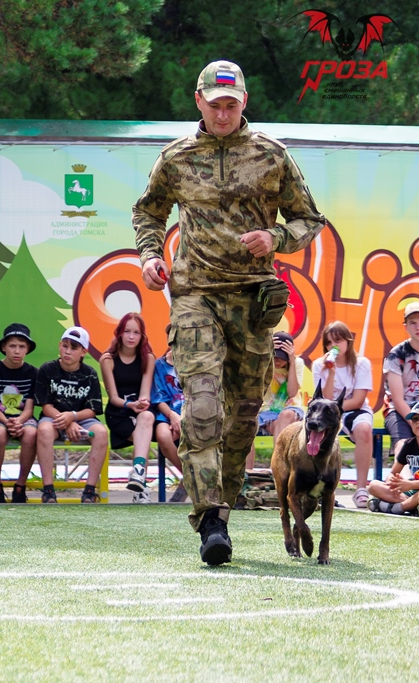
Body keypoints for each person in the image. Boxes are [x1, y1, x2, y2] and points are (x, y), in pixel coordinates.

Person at [134, 60, 326, 565]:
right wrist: (152, 255)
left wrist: (277, 237)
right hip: (195, 296)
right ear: (198, 101)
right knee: (200, 409)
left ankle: (224, 505)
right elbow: (147, 212)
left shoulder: (272, 155)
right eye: (214, 104)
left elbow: (309, 219)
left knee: (242, 419)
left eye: (231, 104)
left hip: (254, 301)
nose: (222, 113)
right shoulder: (175, 158)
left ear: (245, 102)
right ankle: (211, 521)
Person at [35, 326, 108, 504]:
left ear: (84, 352)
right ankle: (48, 491)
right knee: (43, 430)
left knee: (101, 433)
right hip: (54, 418)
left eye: (74, 348)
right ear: (60, 345)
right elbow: (46, 406)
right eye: (65, 346)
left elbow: (93, 409)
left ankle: (89, 491)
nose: (68, 351)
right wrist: (67, 422)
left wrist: (73, 417)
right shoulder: (47, 369)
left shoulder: (89, 373)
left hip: (82, 419)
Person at [312, 321, 373, 508]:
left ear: (348, 341)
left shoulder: (361, 363)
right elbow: (326, 400)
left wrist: (335, 410)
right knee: (317, 432)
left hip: (354, 411)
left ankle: (361, 488)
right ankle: (319, 489)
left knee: (363, 429)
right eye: (329, 343)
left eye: (337, 341)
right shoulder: (319, 365)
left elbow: (358, 400)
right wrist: (330, 372)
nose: (333, 346)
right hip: (328, 412)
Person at [99, 312, 156, 503]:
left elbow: (145, 392)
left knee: (146, 419)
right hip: (119, 412)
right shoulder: (107, 359)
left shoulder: (148, 358)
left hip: (141, 412)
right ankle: (141, 488)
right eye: (127, 331)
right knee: (143, 437)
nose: (131, 337)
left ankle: (138, 474)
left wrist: (142, 402)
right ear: (120, 333)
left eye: (136, 333)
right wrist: (129, 404)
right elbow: (113, 398)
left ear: (142, 336)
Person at [0, 323, 40, 504]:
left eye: (22, 346)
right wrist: (6, 421)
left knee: (31, 433)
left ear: (28, 349)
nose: (17, 351)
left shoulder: (33, 373)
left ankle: (20, 486)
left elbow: (30, 407)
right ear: (3, 347)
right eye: (12, 346)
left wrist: (20, 421)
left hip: (23, 418)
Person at [245, 331, 306, 470]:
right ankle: (248, 473)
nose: (277, 361)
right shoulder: (264, 362)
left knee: (285, 416)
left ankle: (278, 467)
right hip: (267, 412)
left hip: (291, 410)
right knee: (245, 423)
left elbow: (292, 392)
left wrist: (291, 361)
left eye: (282, 358)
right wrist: (266, 356)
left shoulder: (297, 363)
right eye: (275, 356)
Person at [151, 330, 188, 503]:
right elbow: (158, 398)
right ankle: (192, 478)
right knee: (163, 435)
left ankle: (190, 482)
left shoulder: (194, 364)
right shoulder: (159, 365)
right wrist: (172, 416)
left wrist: (184, 418)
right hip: (166, 413)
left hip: (191, 414)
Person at [367, 401, 419, 516]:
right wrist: (394, 483)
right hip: (411, 492)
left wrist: (410, 484)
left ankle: (397, 508)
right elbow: (393, 472)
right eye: (415, 419)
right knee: (373, 486)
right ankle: (412, 505)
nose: (417, 423)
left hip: (414, 488)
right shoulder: (409, 444)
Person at [382, 302, 419, 462]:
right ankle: (402, 483)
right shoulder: (396, 355)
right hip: (399, 411)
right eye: (413, 323)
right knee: (403, 446)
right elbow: (397, 400)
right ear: (406, 327)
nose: (418, 326)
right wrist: (414, 423)